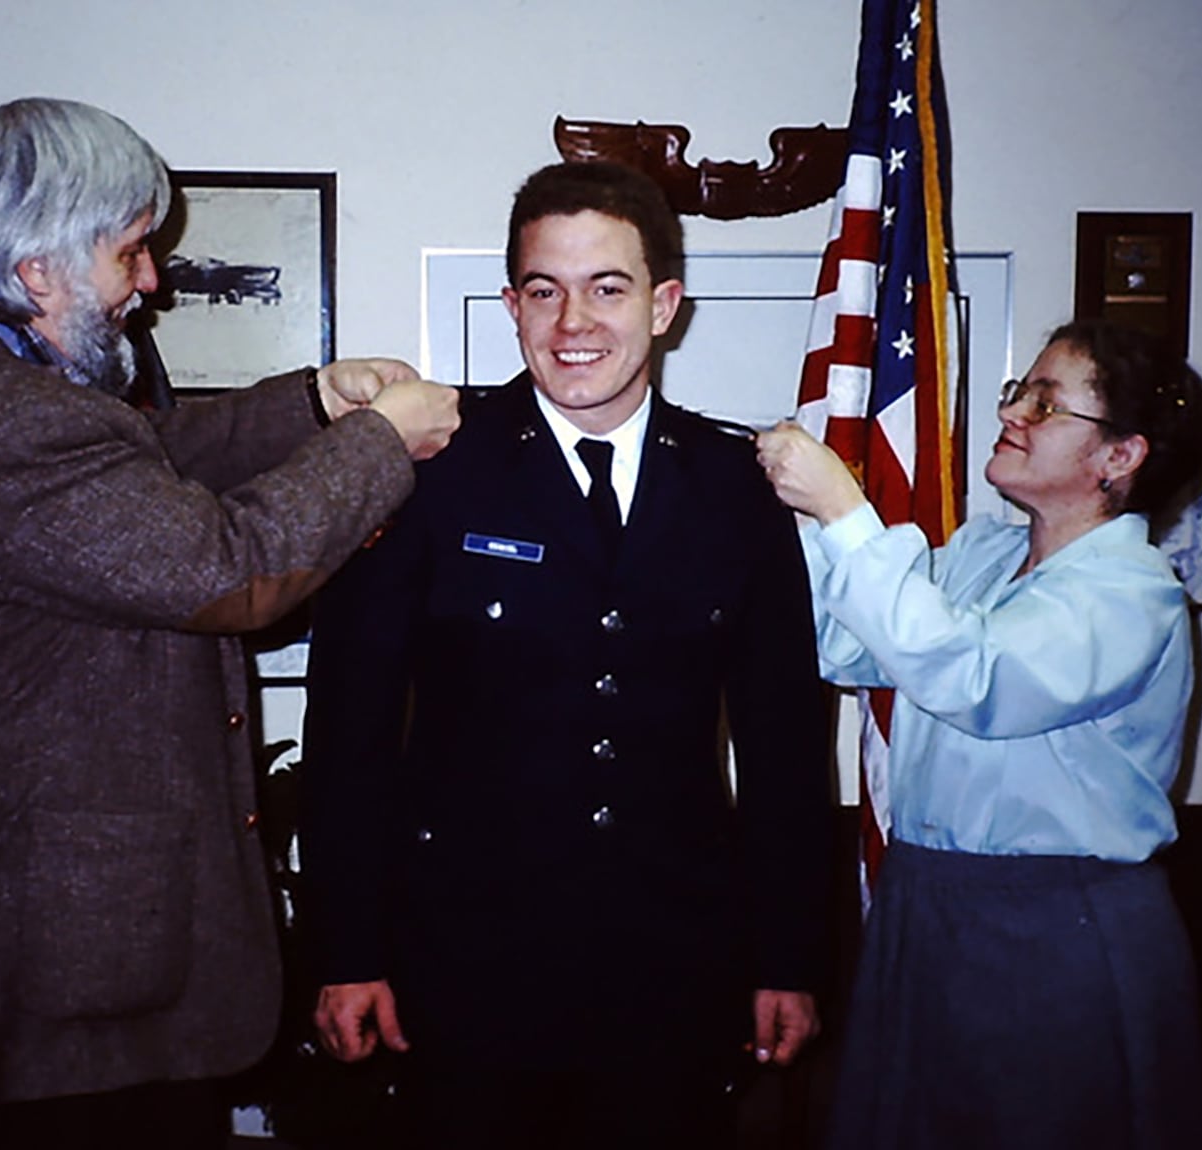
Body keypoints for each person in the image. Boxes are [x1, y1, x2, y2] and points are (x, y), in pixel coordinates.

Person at [0, 96, 459, 1148]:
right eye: (130, 252)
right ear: (36, 270)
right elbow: (227, 569)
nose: (149, 282)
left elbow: (130, 463)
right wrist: (378, 444)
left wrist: (313, 403)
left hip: (16, 961)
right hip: (43, 1000)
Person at [298, 160, 834, 1150]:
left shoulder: (738, 488)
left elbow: (784, 749)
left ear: (666, 304)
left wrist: (787, 954)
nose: (572, 321)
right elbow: (349, 729)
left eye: (607, 287)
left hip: (672, 968)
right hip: (464, 967)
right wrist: (346, 946)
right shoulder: (428, 473)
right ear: (510, 304)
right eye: (543, 290)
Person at [755, 320, 1202, 1149]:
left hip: (1054, 931)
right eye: (1021, 391)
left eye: (1046, 402)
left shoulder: (1131, 592)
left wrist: (845, 509)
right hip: (929, 908)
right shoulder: (984, 553)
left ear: (1121, 456)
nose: (1014, 411)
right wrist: (814, 521)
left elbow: (973, 678)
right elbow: (852, 643)